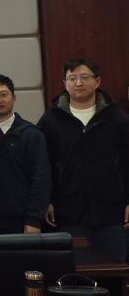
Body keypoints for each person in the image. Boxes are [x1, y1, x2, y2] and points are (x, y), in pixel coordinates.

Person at [37, 58, 129, 262]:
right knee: (76, 273)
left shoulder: (117, 118)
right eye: (72, 78)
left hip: (112, 213)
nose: (78, 83)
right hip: (68, 213)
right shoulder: (51, 120)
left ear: (97, 81)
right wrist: (47, 201)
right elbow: (43, 166)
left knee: (115, 271)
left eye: (85, 77)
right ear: (64, 83)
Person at [0, 74, 51, 234]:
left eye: (3, 95)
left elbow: (40, 179)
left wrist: (34, 219)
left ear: (13, 98)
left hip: (21, 221)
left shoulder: (31, 134)